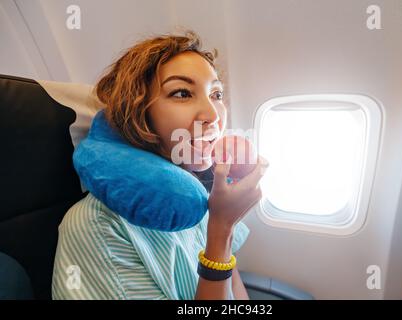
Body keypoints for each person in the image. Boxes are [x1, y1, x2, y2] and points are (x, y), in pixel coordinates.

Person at [52, 31, 269, 300]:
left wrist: (221, 223)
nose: (213, 115)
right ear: (138, 111)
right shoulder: (96, 226)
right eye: (182, 93)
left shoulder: (198, 194)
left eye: (216, 94)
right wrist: (221, 229)